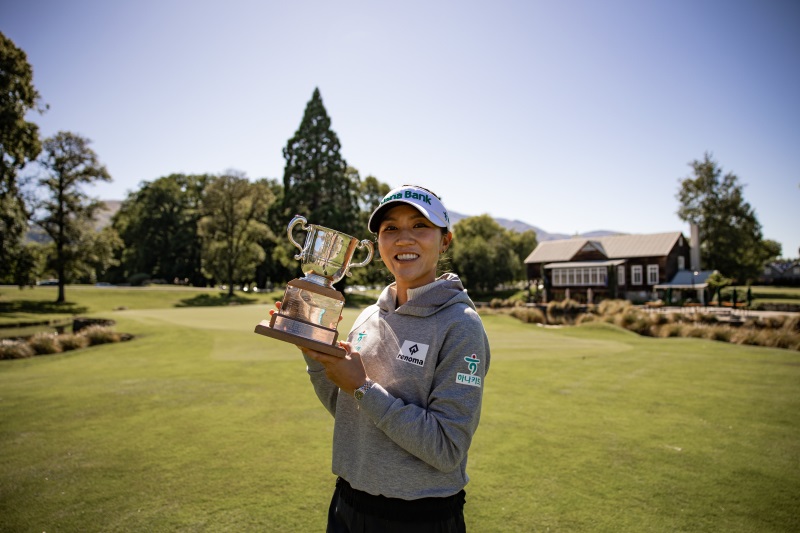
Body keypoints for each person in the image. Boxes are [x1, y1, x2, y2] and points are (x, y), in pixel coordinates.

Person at [276, 184, 490, 532]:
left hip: (419, 516)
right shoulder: (368, 317)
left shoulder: (460, 326)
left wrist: (362, 387)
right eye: (390, 228)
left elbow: (447, 449)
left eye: (419, 225)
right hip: (347, 503)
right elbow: (349, 412)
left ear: (444, 241)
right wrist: (316, 356)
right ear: (378, 244)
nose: (403, 239)